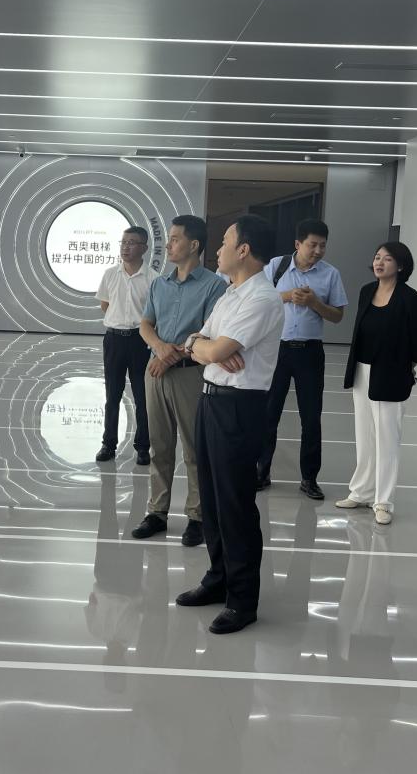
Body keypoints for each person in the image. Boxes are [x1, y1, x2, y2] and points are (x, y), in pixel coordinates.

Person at [174, 214, 284, 634]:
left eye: (224, 242)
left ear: (244, 250)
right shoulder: (229, 293)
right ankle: (217, 578)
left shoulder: (262, 299)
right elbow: (196, 340)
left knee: (235, 506)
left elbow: (215, 348)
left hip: (239, 407)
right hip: (210, 401)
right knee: (212, 501)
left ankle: (242, 599)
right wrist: (203, 346)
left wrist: (208, 348)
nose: (217, 249)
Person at [134, 215, 227, 547]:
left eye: (175, 239)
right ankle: (157, 512)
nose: (169, 244)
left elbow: (208, 333)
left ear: (194, 245)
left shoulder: (215, 286)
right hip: (155, 373)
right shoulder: (160, 284)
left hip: (190, 375)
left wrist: (169, 356)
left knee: (194, 448)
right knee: (159, 445)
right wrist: (159, 348)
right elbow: (146, 324)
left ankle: (197, 516)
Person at [336, 242, 417, 525]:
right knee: (364, 435)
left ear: (400, 266)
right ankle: (361, 491)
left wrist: (406, 366)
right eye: (377, 257)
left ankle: (383, 501)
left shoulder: (411, 299)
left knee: (387, 439)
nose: (379, 262)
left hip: (391, 373)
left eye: (387, 259)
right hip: (362, 370)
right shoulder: (367, 291)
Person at [256, 219, 348, 500]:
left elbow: (338, 316)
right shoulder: (277, 266)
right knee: (268, 414)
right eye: (312, 245)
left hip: (310, 352)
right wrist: (286, 296)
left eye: (323, 246)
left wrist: (314, 303)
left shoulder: (330, 274)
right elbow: (258, 299)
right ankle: (261, 472)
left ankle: (309, 478)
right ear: (298, 244)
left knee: (311, 417)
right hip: (277, 350)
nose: (318, 251)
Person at [95, 226, 154, 465]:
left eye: (131, 243)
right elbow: (105, 305)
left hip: (141, 341)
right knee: (112, 396)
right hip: (114, 340)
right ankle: (108, 444)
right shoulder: (110, 274)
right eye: (123, 242)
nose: (125, 247)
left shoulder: (153, 279)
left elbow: (154, 314)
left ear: (144, 248)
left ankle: (143, 447)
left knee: (142, 397)